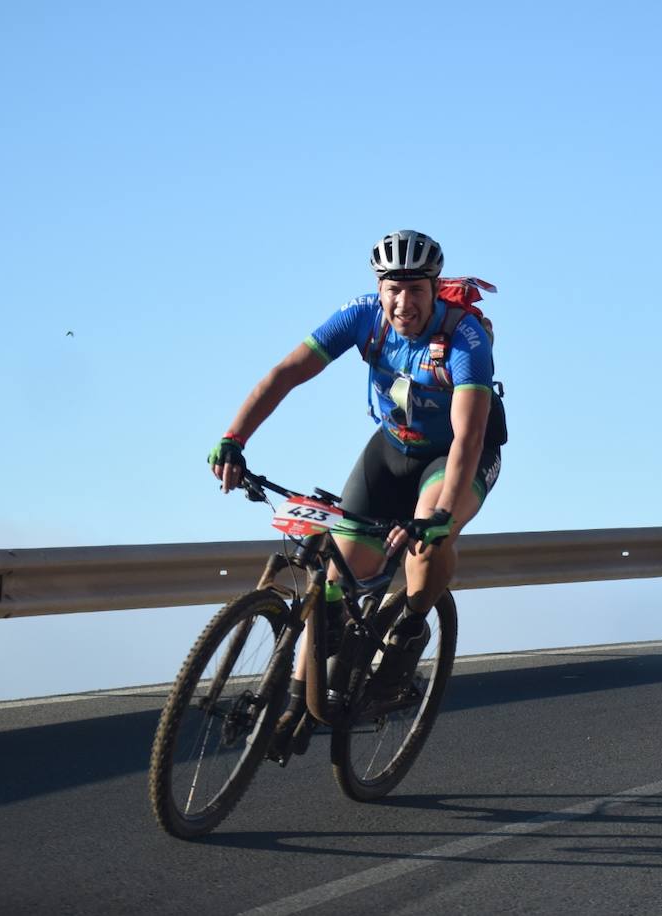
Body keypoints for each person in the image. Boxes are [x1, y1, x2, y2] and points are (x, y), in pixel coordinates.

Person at [208, 229, 504, 729]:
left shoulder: (464, 338)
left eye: (416, 290)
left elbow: (468, 437)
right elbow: (286, 373)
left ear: (435, 288)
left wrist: (438, 515)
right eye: (394, 289)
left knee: (427, 542)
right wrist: (234, 437)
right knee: (337, 577)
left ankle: (410, 629)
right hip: (391, 450)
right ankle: (296, 708)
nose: (404, 303)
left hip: (455, 457)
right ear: (379, 289)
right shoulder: (362, 316)